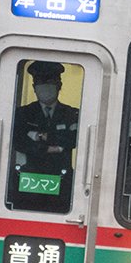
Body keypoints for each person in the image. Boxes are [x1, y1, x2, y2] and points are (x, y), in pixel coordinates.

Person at [10, 61, 80, 211]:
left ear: (59, 85)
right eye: (40, 83)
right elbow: (19, 142)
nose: (45, 88)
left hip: (61, 182)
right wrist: (51, 148)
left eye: (50, 82)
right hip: (28, 180)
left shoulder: (71, 114)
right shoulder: (23, 114)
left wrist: (37, 136)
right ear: (34, 88)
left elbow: (72, 140)